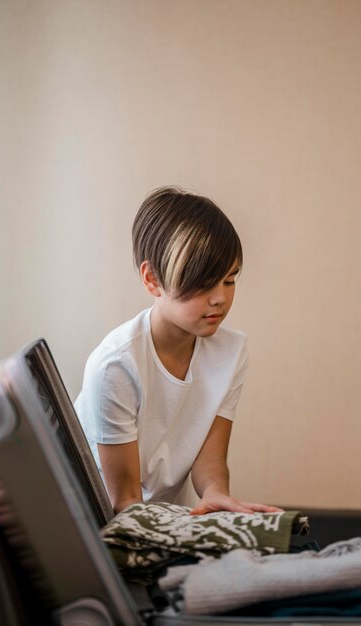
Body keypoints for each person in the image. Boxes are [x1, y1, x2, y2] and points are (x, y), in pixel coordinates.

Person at [75, 186, 281, 516]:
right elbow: (125, 501)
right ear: (152, 279)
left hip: (164, 523)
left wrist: (216, 494)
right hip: (100, 528)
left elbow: (209, 458)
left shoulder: (230, 351)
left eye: (229, 280)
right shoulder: (116, 364)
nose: (220, 299)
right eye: (204, 283)